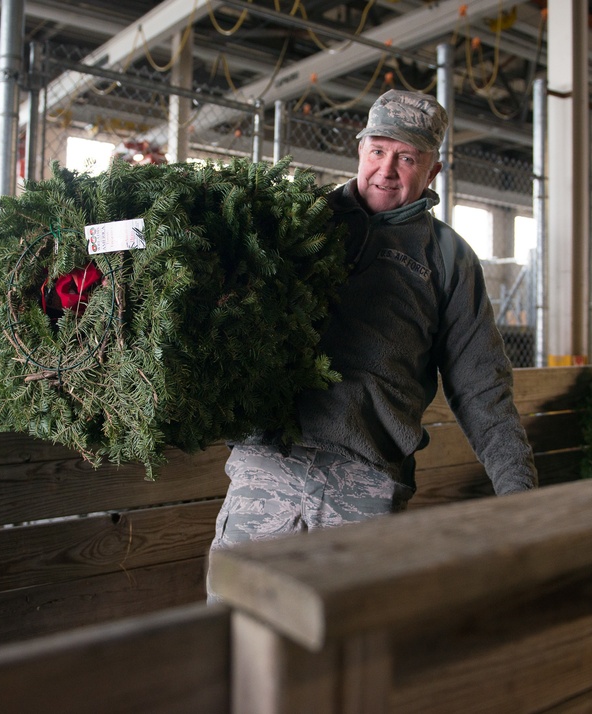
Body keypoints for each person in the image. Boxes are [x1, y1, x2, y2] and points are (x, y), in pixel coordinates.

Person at [207, 89, 537, 591]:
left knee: (347, 647)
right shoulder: (299, 220)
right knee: (235, 627)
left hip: (364, 484)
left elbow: (481, 386)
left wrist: (520, 495)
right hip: (267, 465)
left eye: (407, 158)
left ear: (433, 173)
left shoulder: (447, 258)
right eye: (378, 150)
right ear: (359, 150)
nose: (387, 169)